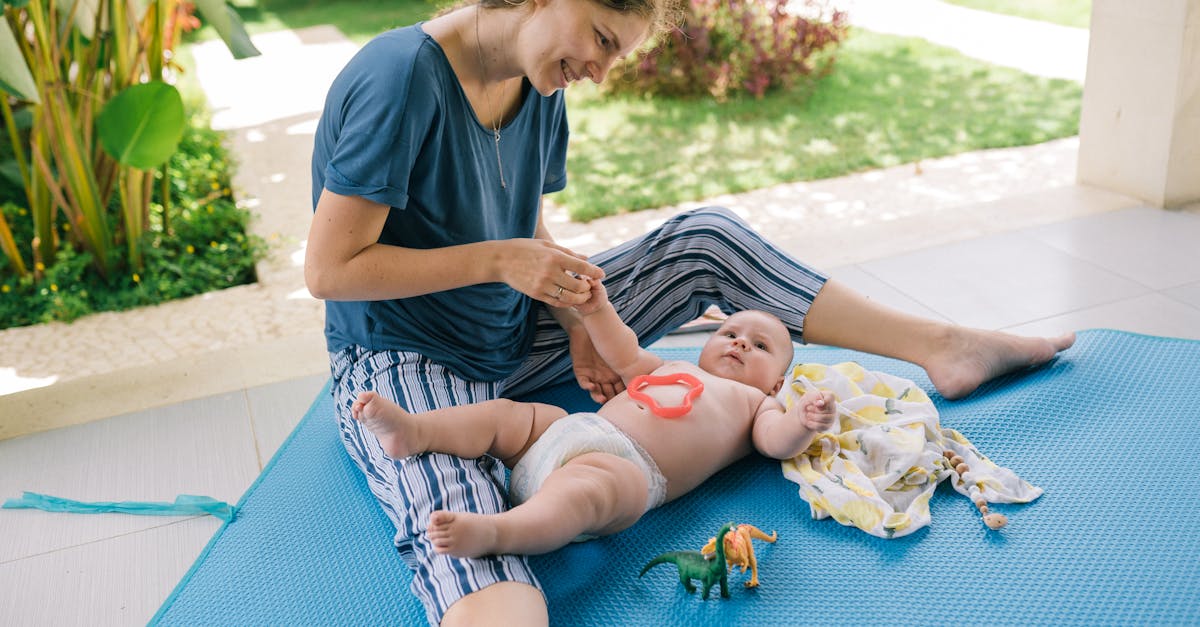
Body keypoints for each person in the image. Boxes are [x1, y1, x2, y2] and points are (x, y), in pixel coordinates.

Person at [304, 0, 1075, 623]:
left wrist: (576, 315)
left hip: (514, 324)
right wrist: (504, 262)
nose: (600, 72)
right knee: (466, 525)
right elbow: (330, 269)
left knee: (704, 238)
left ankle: (941, 345)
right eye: (602, 39)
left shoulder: (541, 87)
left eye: (615, 56)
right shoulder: (402, 75)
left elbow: (527, 231)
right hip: (408, 354)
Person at [351, 282, 837, 558]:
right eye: (730, 332)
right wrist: (597, 310)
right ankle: (416, 431)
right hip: (575, 431)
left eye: (760, 346)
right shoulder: (672, 367)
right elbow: (623, 351)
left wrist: (804, 419)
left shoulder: (759, 404)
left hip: (632, 473)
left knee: (586, 492)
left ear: (776, 382)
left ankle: (500, 531)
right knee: (510, 417)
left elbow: (777, 442)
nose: (740, 343)